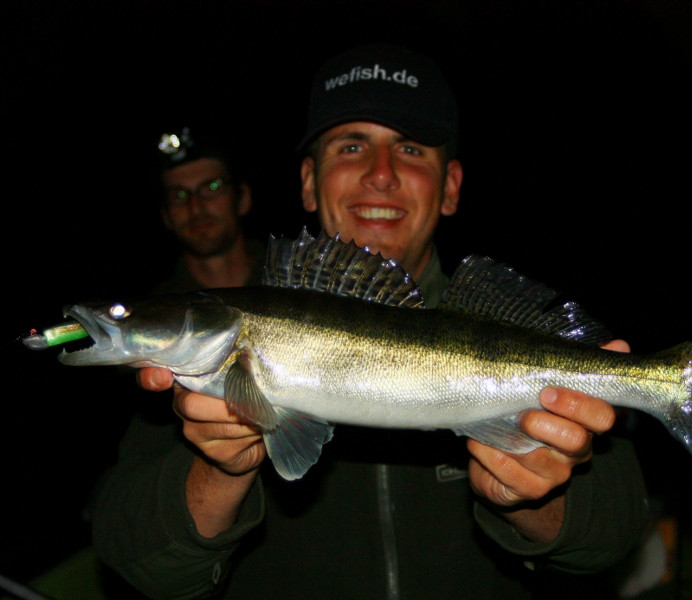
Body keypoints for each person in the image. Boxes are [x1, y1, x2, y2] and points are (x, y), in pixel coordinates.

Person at [91, 44, 648, 599]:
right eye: (352, 145)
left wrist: (539, 499)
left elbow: (610, 541)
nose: (381, 174)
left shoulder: (494, 318)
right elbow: (137, 563)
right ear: (308, 182)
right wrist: (220, 470)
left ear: (450, 186)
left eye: (409, 149)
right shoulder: (190, 376)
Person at [154, 126, 265, 293]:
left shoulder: (297, 284)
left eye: (212, 187)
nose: (195, 207)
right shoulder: (156, 311)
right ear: (165, 215)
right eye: (178, 195)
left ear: (243, 198)